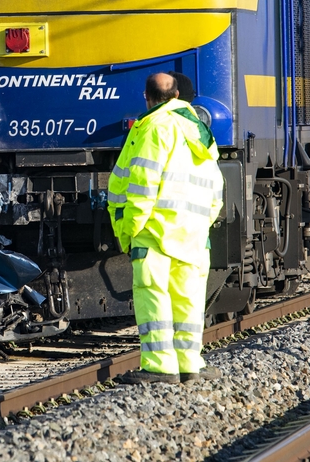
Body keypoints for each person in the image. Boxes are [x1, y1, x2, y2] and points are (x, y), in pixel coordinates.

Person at [108, 73, 224, 384]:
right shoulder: (199, 131)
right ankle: (190, 364)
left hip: (155, 232)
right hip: (194, 234)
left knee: (154, 298)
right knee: (188, 300)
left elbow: (141, 187)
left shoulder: (152, 127)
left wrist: (128, 230)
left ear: (146, 97)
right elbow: (217, 190)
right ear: (175, 96)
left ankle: (159, 367)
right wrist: (200, 225)